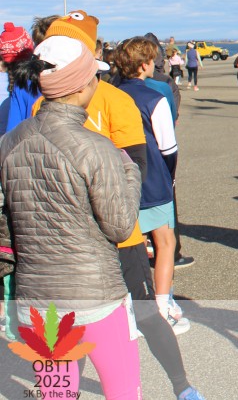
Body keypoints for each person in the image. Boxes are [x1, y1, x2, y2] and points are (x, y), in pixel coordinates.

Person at [0, 35, 144, 399]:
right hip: (96, 296)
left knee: (56, 393)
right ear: (82, 85)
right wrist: (131, 174)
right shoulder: (95, 147)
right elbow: (120, 226)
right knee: (123, 389)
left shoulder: (8, 143)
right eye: (95, 76)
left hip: (36, 298)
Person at [115, 37, 189, 333]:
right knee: (165, 242)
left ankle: (129, 308)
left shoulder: (109, 94)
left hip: (116, 178)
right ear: (146, 64)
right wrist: (170, 177)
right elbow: (168, 147)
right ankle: (162, 306)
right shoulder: (154, 97)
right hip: (152, 177)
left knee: (127, 247)